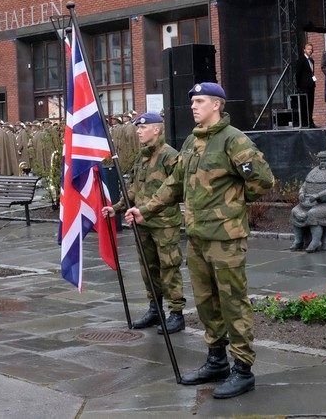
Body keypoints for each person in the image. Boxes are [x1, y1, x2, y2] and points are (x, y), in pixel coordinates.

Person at [126, 82, 274, 400]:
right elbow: (174, 184)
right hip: (197, 238)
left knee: (232, 303)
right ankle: (217, 361)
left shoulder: (234, 140)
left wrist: (232, 203)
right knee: (206, 304)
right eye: (192, 100)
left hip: (225, 239)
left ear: (217, 105)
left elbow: (263, 180)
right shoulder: (193, 141)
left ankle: (243, 370)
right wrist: (145, 209)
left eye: (201, 101)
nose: (194, 106)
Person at [103, 112, 185, 335]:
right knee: (148, 268)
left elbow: (178, 189)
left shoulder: (170, 156)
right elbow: (133, 189)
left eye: (143, 127)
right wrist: (117, 208)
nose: (138, 131)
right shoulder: (142, 157)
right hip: (142, 222)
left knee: (169, 266)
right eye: (137, 128)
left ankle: (176, 313)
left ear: (156, 130)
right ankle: (155, 308)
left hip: (164, 222)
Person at [293, 42, 317, 128]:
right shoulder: (301, 60)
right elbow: (298, 74)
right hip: (304, 86)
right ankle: (305, 122)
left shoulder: (312, 60)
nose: (310, 51)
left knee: (311, 104)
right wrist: (298, 85)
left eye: (311, 49)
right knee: (305, 105)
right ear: (304, 50)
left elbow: (311, 73)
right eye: (308, 49)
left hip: (311, 85)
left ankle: (310, 121)